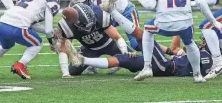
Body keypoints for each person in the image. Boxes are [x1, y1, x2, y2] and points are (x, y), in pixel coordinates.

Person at [76, 36, 213, 78]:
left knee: (143, 36)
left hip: (168, 67)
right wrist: (182, 30)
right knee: (123, 59)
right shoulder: (200, 55)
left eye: (204, 42)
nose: (201, 43)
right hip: (165, 63)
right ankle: (83, 61)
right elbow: (175, 49)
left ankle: (115, 13)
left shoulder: (206, 57)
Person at [57, 3, 130, 78]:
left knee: (133, 61)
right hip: (89, 49)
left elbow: (117, 37)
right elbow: (63, 49)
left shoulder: (99, 14)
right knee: (73, 71)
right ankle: (91, 65)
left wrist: (124, 54)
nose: (89, 27)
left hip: (110, 44)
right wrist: (65, 73)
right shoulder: (67, 26)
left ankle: (118, 62)